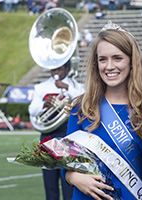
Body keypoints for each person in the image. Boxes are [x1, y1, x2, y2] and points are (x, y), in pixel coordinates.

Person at [62, 21, 142, 200]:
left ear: (132, 62)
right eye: (102, 59)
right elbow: (67, 166)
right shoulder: (81, 107)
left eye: (117, 58)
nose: (109, 66)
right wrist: (74, 177)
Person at [28, 60, 84, 200]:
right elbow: (32, 110)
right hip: (48, 137)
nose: (56, 73)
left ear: (67, 69)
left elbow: (84, 101)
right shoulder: (42, 87)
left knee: (69, 182)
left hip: (68, 137)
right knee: (50, 182)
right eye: (53, 70)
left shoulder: (76, 86)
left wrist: (66, 87)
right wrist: (44, 105)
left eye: (59, 69)